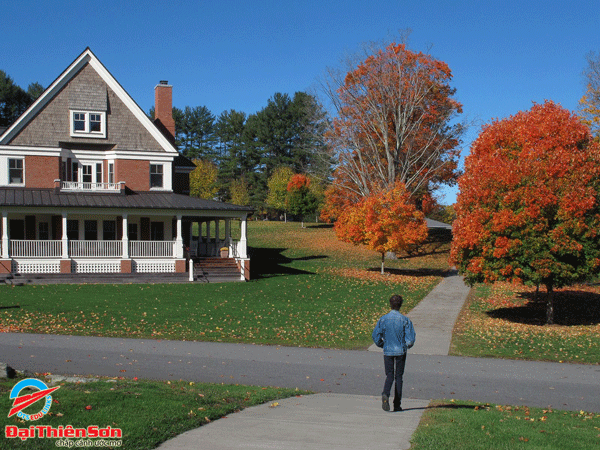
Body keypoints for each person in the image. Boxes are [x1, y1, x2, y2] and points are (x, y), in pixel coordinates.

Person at [372, 294, 416, 412]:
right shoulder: (405, 320)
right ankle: (397, 404)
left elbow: (376, 336)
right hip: (400, 350)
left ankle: (386, 393)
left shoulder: (383, 319)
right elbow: (411, 339)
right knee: (399, 377)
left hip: (388, 350)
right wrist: (405, 345)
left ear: (390, 304)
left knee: (390, 375)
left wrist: (382, 345)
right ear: (400, 305)